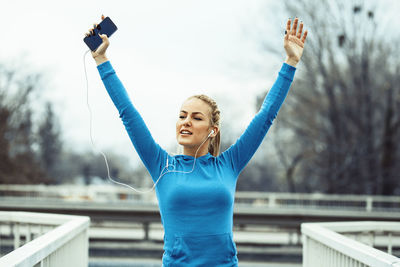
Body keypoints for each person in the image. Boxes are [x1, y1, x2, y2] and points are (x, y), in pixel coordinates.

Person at [86, 16, 307, 267]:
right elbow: (128, 112)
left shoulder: (228, 164)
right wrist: (101, 60)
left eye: (196, 117)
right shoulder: (161, 165)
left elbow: (266, 116)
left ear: (212, 130)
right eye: (182, 116)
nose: (186, 121)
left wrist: (290, 62)